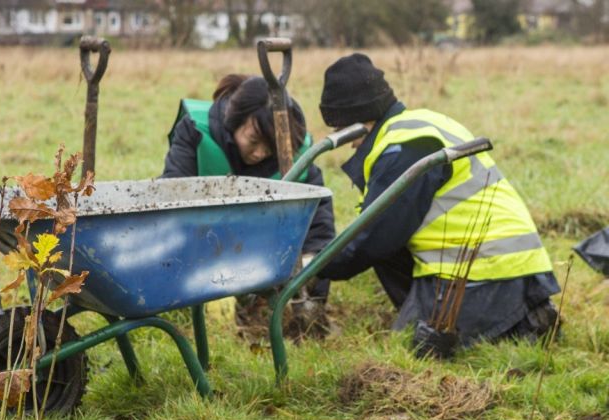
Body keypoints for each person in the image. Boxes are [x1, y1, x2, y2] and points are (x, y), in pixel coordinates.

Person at [316, 53, 559, 346]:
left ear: (357, 120)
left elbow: (374, 234)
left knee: (413, 344)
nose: (347, 143)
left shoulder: (402, 147)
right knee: (390, 253)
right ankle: (528, 315)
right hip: (520, 268)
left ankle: (517, 325)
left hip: (484, 273)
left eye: (341, 130)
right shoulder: (422, 124)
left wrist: (314, 266)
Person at [161, 74, 336, 338]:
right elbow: (171, 205)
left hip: (266, 255)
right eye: (253, 140)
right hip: (203, 250)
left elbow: (319, 221)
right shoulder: (197, 133)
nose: (259, 153)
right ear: (234, 122)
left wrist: (312, 261)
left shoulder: (294, 154)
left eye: (270, 146)